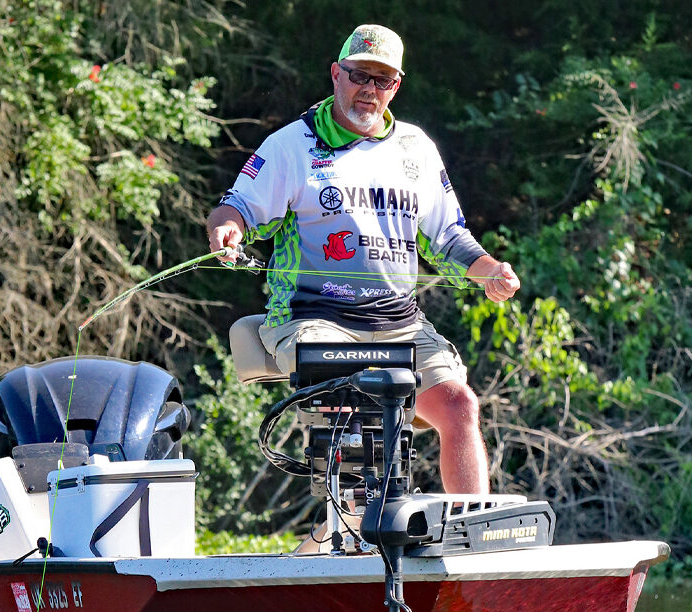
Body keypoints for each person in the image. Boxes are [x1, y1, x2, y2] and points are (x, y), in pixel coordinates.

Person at [205, 24, 520, 494]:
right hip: (312, 319)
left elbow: (448, 239)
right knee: (351, 400)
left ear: (396, 86)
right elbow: (239, 208)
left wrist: (491, 270)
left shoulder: (417, 148)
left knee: (459, 406)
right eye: (360, 76)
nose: (370, 90)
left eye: (384, 80)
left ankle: (468, 536)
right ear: (336, 74)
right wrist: (227, 229)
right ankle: (349, 539)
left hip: (401, 323)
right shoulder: (291, 145)